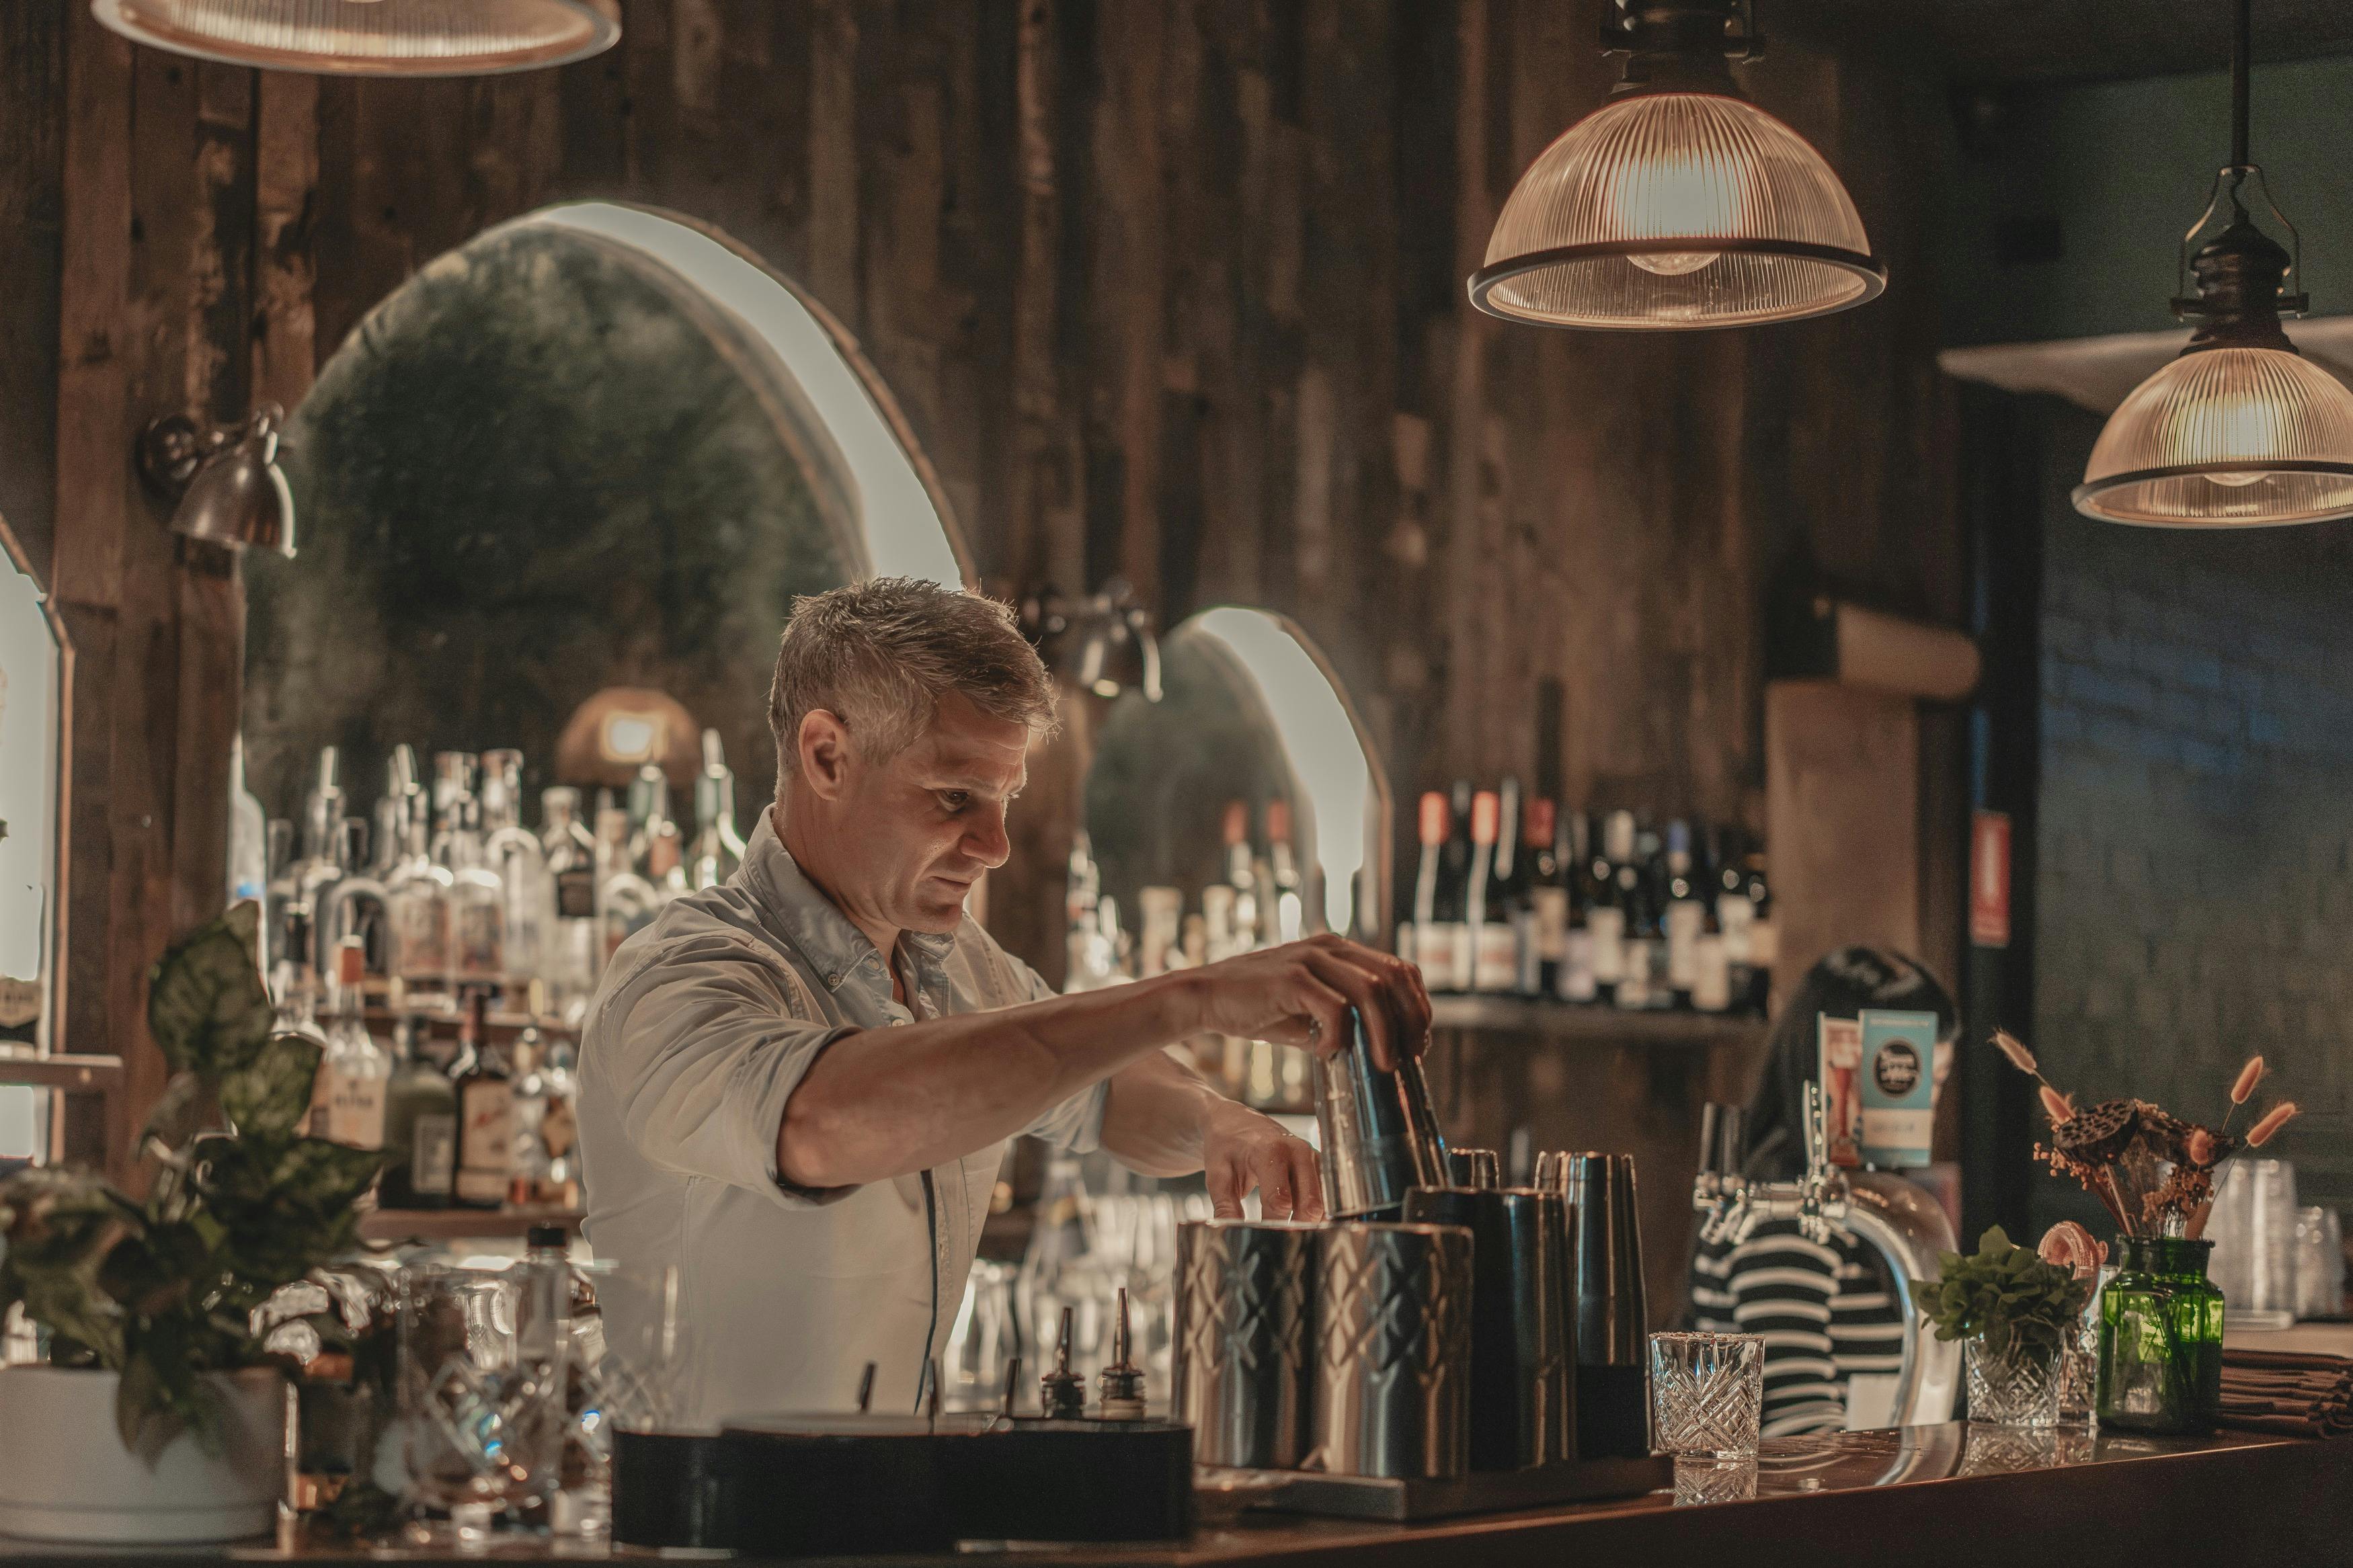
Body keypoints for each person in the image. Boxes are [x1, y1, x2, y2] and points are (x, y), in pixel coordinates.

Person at [577, 577, 1430, 1423]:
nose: (994, 845)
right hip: (701, 1522)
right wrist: (1192, 996)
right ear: (826, 754)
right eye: (954, 798)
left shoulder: (959, 964)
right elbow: (818, 1121)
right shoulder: (682, 973)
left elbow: (1102, 1090)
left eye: (1005, 799)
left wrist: (1216, 1120)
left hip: (887, 1509)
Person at [1687, 946, 1957, 1436]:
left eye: (1936, 1082)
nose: (1929, 1108)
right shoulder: (1788, 1203)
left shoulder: (1868, 1199)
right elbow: (1798, 1430)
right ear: (1842, 1061)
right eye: (1916, 1080)